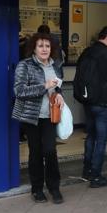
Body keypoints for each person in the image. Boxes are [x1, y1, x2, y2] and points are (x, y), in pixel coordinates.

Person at [12, 33, 65, 204]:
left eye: (47, 46)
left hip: (50, 115)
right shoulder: (24, 65)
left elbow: (58, 87)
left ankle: (54, 187)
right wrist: (44, 86)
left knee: (50, 151)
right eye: (40, 46)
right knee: (35, 152)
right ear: (34, 48)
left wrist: (59, 94)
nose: (44, 49)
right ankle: (37, 189)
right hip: (31, 116)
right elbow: (19, 91)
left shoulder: (56, 66)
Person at [79, 26, 107, 188]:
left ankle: (87, 170)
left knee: (91, 136)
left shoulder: (87, 52)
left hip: (87, 102)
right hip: (104, 104)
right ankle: (96, 175)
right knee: (101, 140)